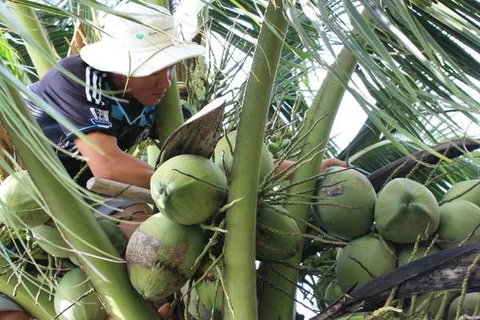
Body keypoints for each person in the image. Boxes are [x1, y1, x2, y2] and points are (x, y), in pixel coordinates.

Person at [0, 2, 345, 319]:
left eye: (169, 68)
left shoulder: (159, 100)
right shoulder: (77, 80)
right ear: (121, 64)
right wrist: (203, 189)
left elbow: (219, 162)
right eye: (153, 70)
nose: (166, 81)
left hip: (93, 195)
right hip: (39, 205)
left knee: (151, 247)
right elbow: (108, 166)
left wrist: (301, 171)